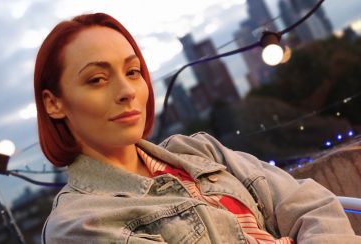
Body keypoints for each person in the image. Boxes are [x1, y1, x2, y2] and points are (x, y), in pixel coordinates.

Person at [34, 13, 360, 243]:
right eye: (96, 79)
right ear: (54, 103)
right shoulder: (80, 225)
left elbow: (310, 202)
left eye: (133, 72)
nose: (127, 91)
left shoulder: (199, 150)